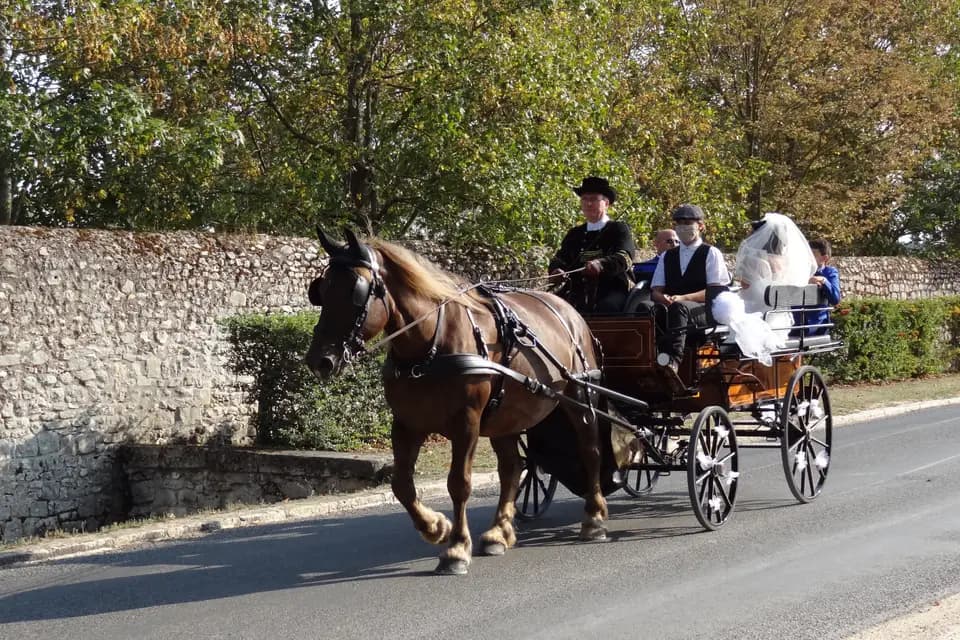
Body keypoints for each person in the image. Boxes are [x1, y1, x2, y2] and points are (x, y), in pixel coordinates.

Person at [650, 204, 730, 387]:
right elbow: (656, 291)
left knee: (680, 309)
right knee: (645, 308)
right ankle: (649, 356)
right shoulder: (667, 256)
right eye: (679, 223)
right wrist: (662, 298)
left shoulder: (711, 253)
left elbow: (714, 291)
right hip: (672, 305)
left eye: (687, 223)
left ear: (700, 226)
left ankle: (673, 361)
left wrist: (683, 298)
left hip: (704, 310)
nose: (682, 227)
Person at [548, 176, 637, 313]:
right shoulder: (574, 234)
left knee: (606, 308)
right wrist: (556, 270)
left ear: (606, 203)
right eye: (584, 199)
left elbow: (625, 257)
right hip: (577, 291)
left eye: (594, 199)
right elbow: (559, 259)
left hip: (612, 288)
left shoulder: (618, 229)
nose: (588, 204)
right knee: (550, 308)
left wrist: (601, 264)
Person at [798, 238, 842, 335]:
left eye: (813, 254)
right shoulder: (799, 271)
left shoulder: (830, 272)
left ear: (824, 258)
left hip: (816, 324)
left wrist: (824, 281)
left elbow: (836, 299)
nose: (808, 257)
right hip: (795, 323)